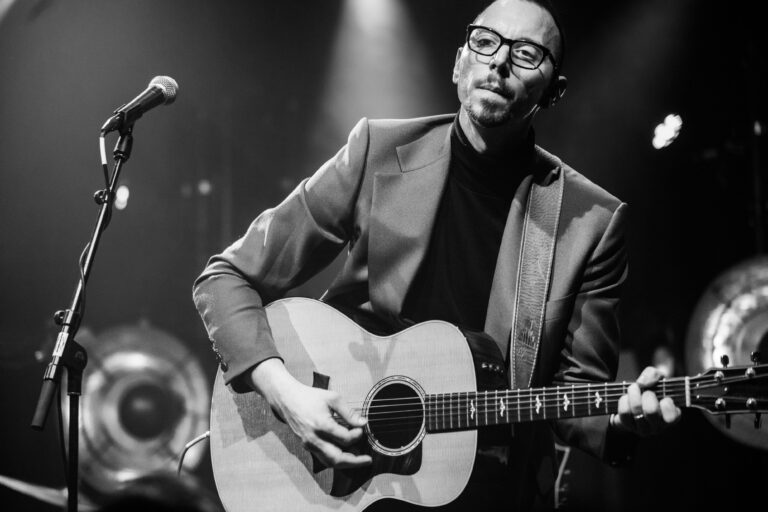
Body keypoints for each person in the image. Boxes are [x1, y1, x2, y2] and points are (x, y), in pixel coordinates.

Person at [193, 0, 680, 509]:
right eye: (485, 41)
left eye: (527, 53)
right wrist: (286, 395)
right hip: (348, 482)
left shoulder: (591, 222)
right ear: (458, 63)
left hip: (490, 491)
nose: (498, 62)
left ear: (553, 92)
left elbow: (579, 399)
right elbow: (225, 279)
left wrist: (625, 421)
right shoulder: (375, 150)